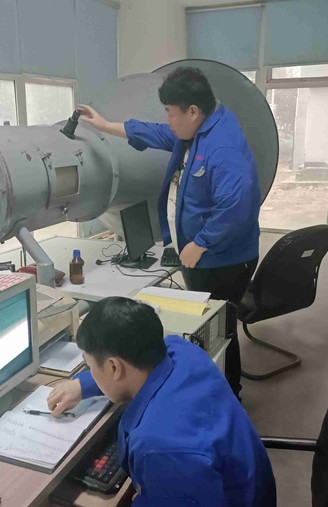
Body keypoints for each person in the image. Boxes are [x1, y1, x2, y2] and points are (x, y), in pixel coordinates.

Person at [78, 67, 260, 398]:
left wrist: (200, 244)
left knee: (219, 327)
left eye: (170, 112)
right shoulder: (199, 127)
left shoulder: (223, 147)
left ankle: (227, 392)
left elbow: (237, 207)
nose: (168, 120)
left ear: (193, 111)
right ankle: (217, 386)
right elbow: (156, 133)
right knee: (212, 325)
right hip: (203, 255)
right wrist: (104, 126)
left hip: (224, 260)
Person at [48, 297, 275, 507]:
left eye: (90, 366)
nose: (91, 372)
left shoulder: (159, 449)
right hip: (242, 500)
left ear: (114, 367)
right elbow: (138, 356)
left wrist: (146, 505)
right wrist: (84, 384)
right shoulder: (183, 351)